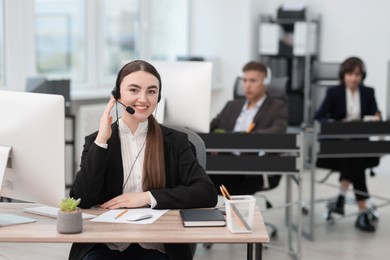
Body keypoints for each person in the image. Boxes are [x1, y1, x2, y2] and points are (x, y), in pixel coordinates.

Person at [69, 60, 218, 260]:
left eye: (151, 91)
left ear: (158, 97)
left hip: (157, 246)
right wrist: (102, 141)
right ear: (117, 95)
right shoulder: (98, 141)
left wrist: (146, 197)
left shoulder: (175, 142)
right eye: (134, 90)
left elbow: (206, 192)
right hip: (107, 245)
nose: (143, 99)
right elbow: (81, 199)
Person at [314, 56, 381, 232]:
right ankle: (362, 212)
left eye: (358, 74)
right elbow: (319, 117)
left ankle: (341, 198)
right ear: (344, 75)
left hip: (360, 147)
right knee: (354, 156)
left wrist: (375, 117)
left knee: (355, 152)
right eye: (350, 73)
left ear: (362, 76)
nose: (354, 78)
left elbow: (376, 114)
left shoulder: (368, 92)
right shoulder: (333, 93)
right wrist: (336, 125)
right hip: (336, 148)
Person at [209, 61, 288, 195]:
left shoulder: (277, 107)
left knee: (201, 180)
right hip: (222, 160)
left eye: (253, 81)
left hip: (250, 166)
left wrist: (243, 137)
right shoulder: (232, 105)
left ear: (265, 82)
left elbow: (278, 131)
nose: (247, 85)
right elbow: (211, 127)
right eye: (244, 80)